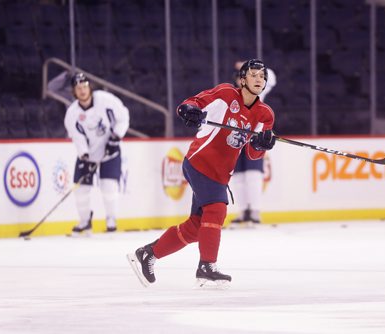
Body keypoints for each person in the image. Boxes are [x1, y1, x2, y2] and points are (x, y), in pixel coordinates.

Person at [127, 59, 276, 288]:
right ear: (243, 79)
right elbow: (194, 102)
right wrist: (189, 110)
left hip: (221, 174)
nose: (259, 79)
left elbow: (253, 154)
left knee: (198, 227)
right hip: (200, 162)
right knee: (217, 210)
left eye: (262, 76)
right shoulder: (226, 93)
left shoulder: (265, 114)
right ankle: (207, 266)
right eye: (254, 75)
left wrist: (261, 144)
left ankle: (148, 254)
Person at [64, 72, 130, 235]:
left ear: (89, 87)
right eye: (78, 88)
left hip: (110, 150)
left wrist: (116, 137)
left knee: (109, 187)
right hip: (89, 154)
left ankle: (111, 219)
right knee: (80, 190)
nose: (82, 90)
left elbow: (123, 116)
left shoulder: (106, 100)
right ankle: (85, 221)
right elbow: (77, 137)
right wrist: (84, 155)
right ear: (74, 92)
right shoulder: (72, 114)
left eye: (84, 86)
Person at [230, 60, 277, 226]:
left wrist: (252, 66)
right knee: (238, 177)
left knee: (253, 176)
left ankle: (255, 211)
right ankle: (243, 211)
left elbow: (271, 78)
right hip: (236, 139)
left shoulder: (257, 93)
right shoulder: (232, 98)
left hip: (253, 139)